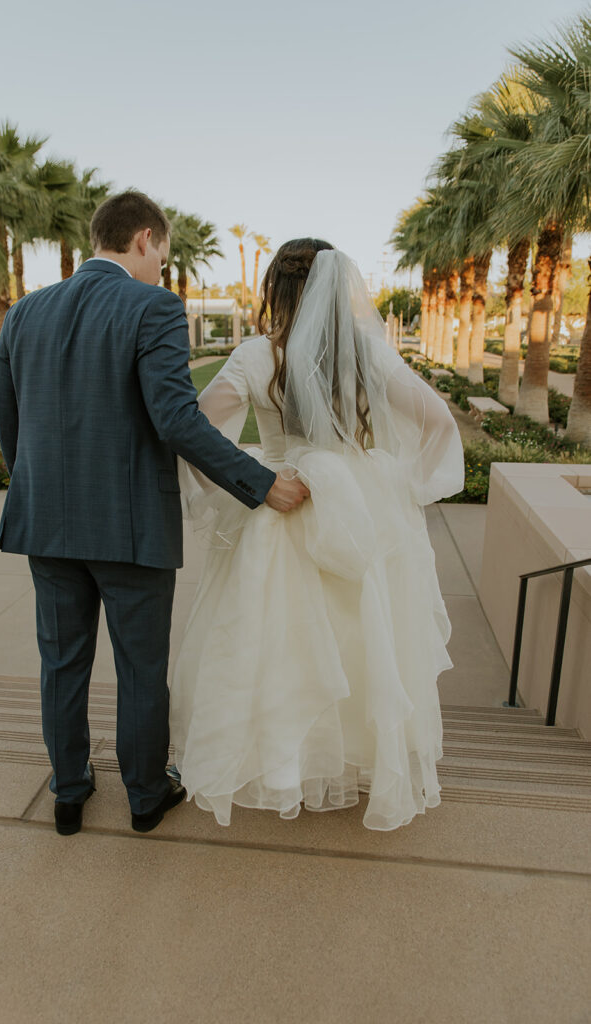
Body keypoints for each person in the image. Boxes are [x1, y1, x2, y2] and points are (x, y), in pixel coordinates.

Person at [0, 192, 309, 837]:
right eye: (163, 257)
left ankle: (69, 792)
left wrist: (36, 490)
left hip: (45, 523)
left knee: (61, 661)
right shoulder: (154, 307)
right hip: (130, 527)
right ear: (144, 239)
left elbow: (11, 426)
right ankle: (144, 796)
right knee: (140, 667)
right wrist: (261, 483)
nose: (163, 271)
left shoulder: (23, 312)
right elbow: (175, 419)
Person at [170, 240, 465, 831]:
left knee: (280, 640)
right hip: (358, 513)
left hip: (280, 505)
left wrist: (239, 485)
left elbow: (196, 429)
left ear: (276, 291)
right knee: (362, 634)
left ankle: (287, 768)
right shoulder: (368, 355)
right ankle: (355, 762)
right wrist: (398, 484)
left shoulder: (257, 356)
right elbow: (437, 421)